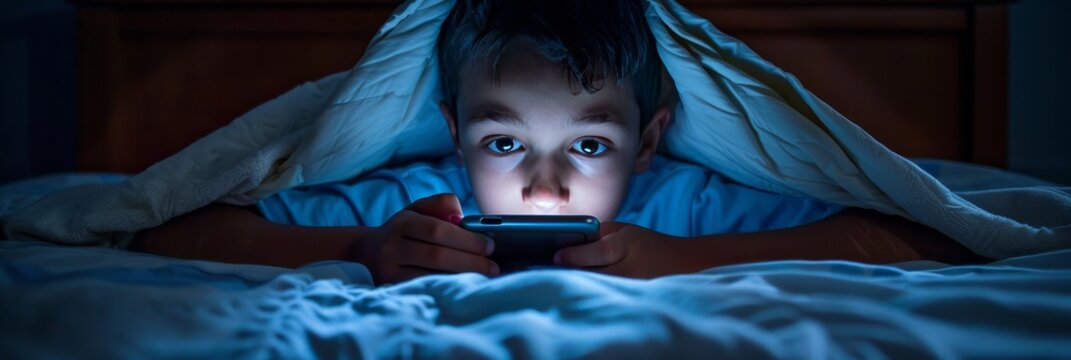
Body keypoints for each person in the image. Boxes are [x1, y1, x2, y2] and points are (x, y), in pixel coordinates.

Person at [131, 0, 982, 284]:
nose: (544, 190)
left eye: (587, 145)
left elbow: (916, 235)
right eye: (504, 144)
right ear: (454, 131)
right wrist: (361, 246)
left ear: (647, 141)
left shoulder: (682, 203)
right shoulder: (412, 203)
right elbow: (166, 230)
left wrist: (674, 259)